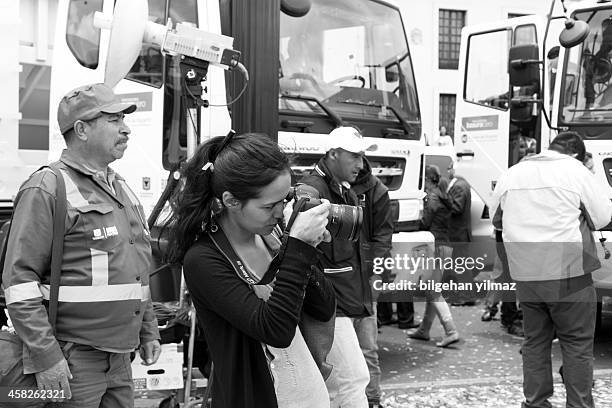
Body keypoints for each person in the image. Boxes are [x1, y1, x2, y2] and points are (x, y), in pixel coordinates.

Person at [2, 83, 161, 407]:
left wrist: (148, 329)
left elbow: (136, 270)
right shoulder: (47, 187)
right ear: (82, 129)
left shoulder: (121, 188)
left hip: (119, 358)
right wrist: (47, 356)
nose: (126, 129)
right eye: (114, 120)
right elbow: (19, 284)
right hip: (72, 358)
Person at [166, 133, 336, 408]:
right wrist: (297, 249)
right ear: (231, 201)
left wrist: (305, 248)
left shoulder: (272, 236)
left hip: (308, 393)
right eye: (269, 206)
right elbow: (275, 330)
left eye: (285, 199)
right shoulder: (204, 259)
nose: (281, 213)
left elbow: (324, 308)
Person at [490, 131, 612, 408]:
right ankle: (578, 404)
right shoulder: (576, 171)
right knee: (577, 343)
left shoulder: (514, 172)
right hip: (569, 272)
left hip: (527, 273)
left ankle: (535, 402)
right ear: (578, 155)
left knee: (535, 341)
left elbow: (497, 218)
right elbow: (603, 216)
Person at [299, 126, 375, 408]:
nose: (360, 164)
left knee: (333, 386)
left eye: (362, 156)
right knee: (352, 380)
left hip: (344, 300)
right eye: (354, 156)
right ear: (333, 154)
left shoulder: (346, 192)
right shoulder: (310, 191)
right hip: (329, 305)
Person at [351, 140, 395, 408]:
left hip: (365, 275)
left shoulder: (376, 190)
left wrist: (377, 272)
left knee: (367, 346)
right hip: (337, 276)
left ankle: (373, 399)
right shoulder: (327, 184)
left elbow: (383, 236)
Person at [407, 165, 460, 347]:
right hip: (446, 245)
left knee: (433, 290)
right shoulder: (445, 195)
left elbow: (425, 222)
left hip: (434, 245)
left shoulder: (432, 197)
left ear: (427, 179)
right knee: (432, 289)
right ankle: (424, 330)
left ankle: (451, 330)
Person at [441, 162, 475, 305]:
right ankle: (464, 294)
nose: (448, 170)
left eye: (450, 168)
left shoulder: (459, 186)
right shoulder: (460, 184)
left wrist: (443, 200)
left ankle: (467, 296)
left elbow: (457, 208)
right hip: (458, 233)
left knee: (461, 266)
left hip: (459, 233)